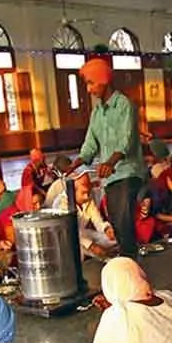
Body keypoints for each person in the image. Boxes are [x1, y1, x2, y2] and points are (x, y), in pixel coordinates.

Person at [69, 58, 145, 258]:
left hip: (128, 173)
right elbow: (90, 144)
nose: (88, 89)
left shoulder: (124, 105)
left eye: (91, 83)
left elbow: (126, 140)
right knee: (118, 226)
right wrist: (76, 162)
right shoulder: (97, 112)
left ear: (103, 81)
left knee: (123, 223)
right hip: (110, 176)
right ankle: (127, 265)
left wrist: (111, 162)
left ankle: (131, 269)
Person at [71, 171, 118, 260]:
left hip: (84, 234)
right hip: (71, 240)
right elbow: (72, 232)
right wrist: (91, 246)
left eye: (88, 192)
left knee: (111, 240)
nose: (86, 196)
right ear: (73, 191)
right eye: (83, 193)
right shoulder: (62, 203)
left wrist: (107, 229)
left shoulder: (88, 200)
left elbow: (98, 221)